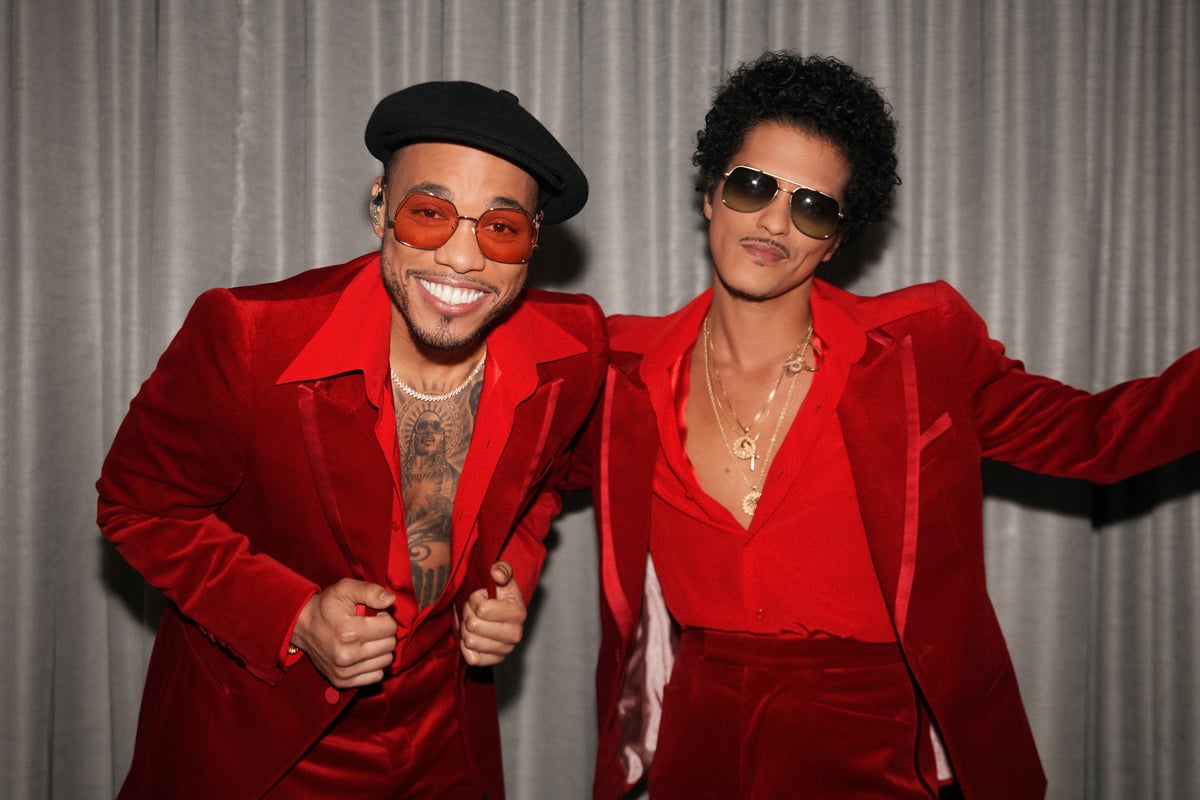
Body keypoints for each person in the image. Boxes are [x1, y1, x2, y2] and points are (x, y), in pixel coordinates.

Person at [582, 52, 1200, 800]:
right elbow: (515, 467)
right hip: (700, 742)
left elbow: (1100, 437)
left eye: (812, 206)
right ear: (711, 194)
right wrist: (506, 573)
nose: (775, 221)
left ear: (835, 239)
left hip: (871, 748)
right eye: (752, 187)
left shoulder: (919, 350)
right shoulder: (621, 369)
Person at [97, 81, 606, 800]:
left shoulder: (573, 349)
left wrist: (509, 574)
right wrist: (295, 616)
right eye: (430, 215)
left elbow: (547, 481)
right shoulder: (250, 338)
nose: (462, 260)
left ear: (532, 245)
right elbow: (138, 506)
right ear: (379, 208)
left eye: (500, 228)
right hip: (264, 747)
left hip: (444, 741)